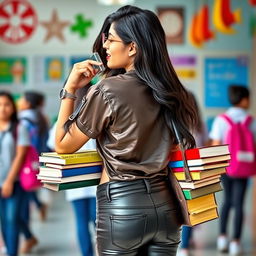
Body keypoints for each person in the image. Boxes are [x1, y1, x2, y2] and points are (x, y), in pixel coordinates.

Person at [55, 5, 198, 256]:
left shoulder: (107, 90)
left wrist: (70, 89)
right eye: (105, 39)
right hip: (167, 207)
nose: (105, 46)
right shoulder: (172, 91)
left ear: (132, 47)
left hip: (122, 208)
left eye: (110, 40)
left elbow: (63, 145)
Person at [47, 86, 97, 256]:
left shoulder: (62, 123)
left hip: (75, 181)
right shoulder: (98, 118)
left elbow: (53, 146)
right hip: (98, 180)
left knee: (81, 222)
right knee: (99, 222)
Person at [209, 85, 256, 255]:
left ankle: (222, 238)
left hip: (227, 168)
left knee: (227, 202)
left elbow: (215, 145)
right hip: (244, 166)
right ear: (244, 100)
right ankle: (236, 242)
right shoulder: (251, 121)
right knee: (239, 204)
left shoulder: (221, 120)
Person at [17, 91, 50, 253]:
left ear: (28, 102)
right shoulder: (41, 118)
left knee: (21, 202)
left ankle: (27, 238)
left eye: (21, 99)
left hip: (23, 165)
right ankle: (28, 236)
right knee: (27, 196)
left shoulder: (23, 120)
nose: (19, 101)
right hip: (36, 163)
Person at [0, 91, 31, 256]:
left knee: (12, 220)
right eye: (0, 105)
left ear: (13, 107)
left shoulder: (20, 128)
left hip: (15, 182)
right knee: (3, 221)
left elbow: (20, 156)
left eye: (6, 105)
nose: (3, 109)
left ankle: (12, 253)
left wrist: (9, 181)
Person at [179, 92, 208, 256]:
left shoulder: (177, 122)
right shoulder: (199, 124)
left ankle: (183, 242)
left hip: (179, 171)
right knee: (192, 208)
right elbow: (205, 145)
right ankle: (185, 245)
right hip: (196, 171)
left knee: (181, 207)